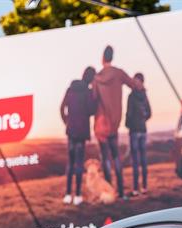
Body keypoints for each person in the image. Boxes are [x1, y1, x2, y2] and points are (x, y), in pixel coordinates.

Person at [91, 45, 139, 199]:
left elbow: (93, 100)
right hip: (114, 123)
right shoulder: (119, 73)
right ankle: (121, 193)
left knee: (105, 158)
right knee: (116, 157)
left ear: (102, 58)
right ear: (112, 57)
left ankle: (110, 191)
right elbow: (135, 85)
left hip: (100, 124)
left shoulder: (97, 78)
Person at [59, 66, 97, 205]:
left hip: (71, 131)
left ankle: (68, 194)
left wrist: (67, 122)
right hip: (81, 132)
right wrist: (94, 97)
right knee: (79, 164)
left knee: (71, 163)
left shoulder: (71, 89)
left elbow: (62, 107)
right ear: (91, 78)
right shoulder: (87, 92)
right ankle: (78, 196)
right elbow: (92, 110)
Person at [126, 73, 152, 196]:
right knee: (143, 159)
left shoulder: (131, 96)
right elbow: (149, 113)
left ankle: (136, 189)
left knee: (136, 161)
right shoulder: (144, 95)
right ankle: (144, 187)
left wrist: (129, 124)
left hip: (134, 130)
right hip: (142, 129)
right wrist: (142, 120)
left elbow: (129, 114)